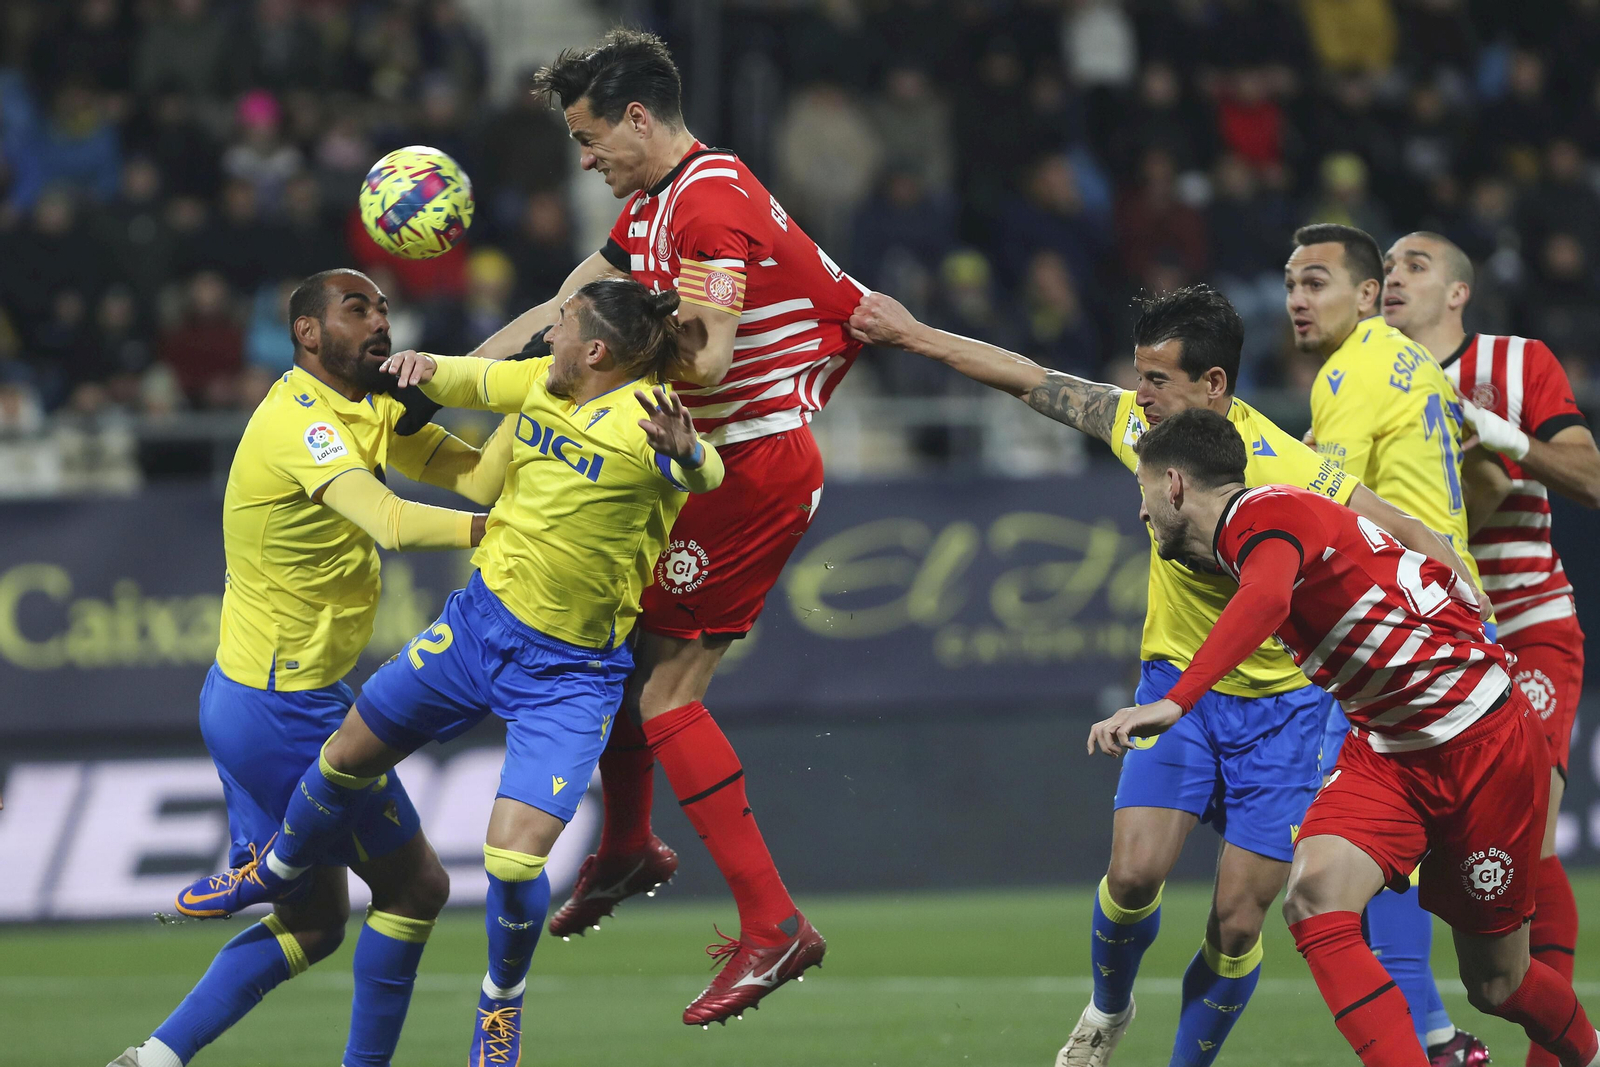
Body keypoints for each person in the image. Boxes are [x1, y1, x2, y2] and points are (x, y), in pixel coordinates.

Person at [848, 284, 1452, 1067]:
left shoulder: (1286, 469)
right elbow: (1031, 378)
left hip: (1286, 713)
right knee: (1132, 875)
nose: (1141, 394)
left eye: (1159, 379)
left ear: (1214, 387)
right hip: (1180, 694)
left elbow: (1394, 528)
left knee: (1238, 924)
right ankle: (1107, 1007)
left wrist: (1453, 579)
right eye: (1139, 374)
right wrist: (914, 334)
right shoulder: (1141, 429)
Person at [173, 277, 724, 1066]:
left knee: (510, 860)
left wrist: (691, 454)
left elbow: (703, 475)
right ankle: (278, 865)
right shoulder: (534, 381)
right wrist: (425, 368)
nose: (548, 333)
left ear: (595, 349)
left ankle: (500, 1004)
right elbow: (466, 383)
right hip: (476, 629)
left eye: (560, 323)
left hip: (570, 671)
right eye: (360, 309)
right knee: (343, 760)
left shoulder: (645, 425)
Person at [439, 28, 865, 1024]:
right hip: (701, 458)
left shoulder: (710, 203)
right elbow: (565, 308)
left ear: (639, 116)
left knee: (670, 687)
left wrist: (630, 348)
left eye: (593, 138)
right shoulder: (651, 205)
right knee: (626, 654)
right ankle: (628, 841)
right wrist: (455, 376)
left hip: (745, 461)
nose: (585, 159)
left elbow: (710, 355)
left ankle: (771, 925)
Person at [1092, 407, 1600, 1067]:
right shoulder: (1247, 538)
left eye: (1143, 493)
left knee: (1498, 983)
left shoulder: (1266, 515)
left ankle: (1587, 1054)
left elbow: (1269, 599)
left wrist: (1176, 700)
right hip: (1386, 750)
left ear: (1175, 485)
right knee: (1314, 897)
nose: (1142, 513)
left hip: (1480, 743)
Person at [113, 269, 509, 1067]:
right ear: (307, 333)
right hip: (279, 705)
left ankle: (154, 1058)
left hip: (258, 694)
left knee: (314, 921)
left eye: (385, 310)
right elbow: (391, 522)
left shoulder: (369, 408)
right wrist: (500, 535)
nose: (379, 323)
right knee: (416, 888)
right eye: (356, 309)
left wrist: (538, 404)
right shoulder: (300, 419)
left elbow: (476, 475)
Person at [1383, 230, 1600, 1067]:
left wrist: (1493, 435)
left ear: (1458, 292)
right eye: (1389, 267)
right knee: (1461, 875)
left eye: (1416, 265)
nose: (1396, 277)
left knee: (1533, 839)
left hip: (1526, 624)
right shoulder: (1367, 383)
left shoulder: (1518, 361)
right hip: (1433, 649)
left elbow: (1587, 476)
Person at [1287, 222, 1493, 1064]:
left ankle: (1435, 1041)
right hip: (1455, 621)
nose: (1297, 301)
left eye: (1317, 283)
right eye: (1292, 284)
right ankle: (1450, 1032)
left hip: (1405, 629)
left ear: (1366, 295)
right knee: (1410, 852)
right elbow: (1473, 474)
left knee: (1357, 850)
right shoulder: (1412, 364)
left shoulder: (1354, 372)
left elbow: (1322, 515)